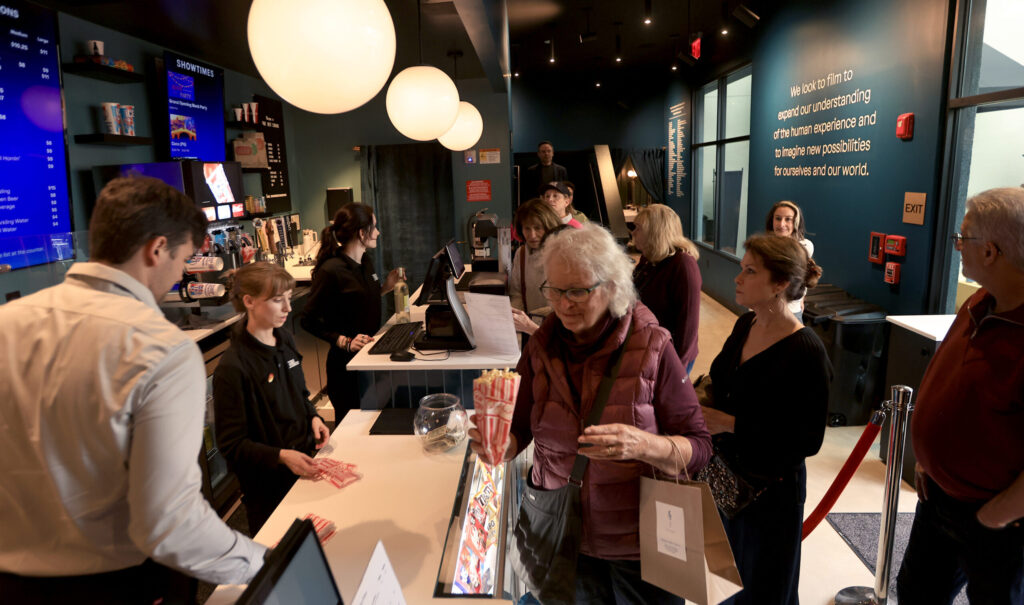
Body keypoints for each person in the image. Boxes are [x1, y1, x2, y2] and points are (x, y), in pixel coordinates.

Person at [0, 176, 266, 602]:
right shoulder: (160, 349)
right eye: (182, 261)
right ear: (156, 249)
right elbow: (169, 524)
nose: (179, 274)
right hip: (119, 584)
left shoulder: (7, 322)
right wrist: (264, 563)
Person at [470, 223, 712, 603]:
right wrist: (501, 446)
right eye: (555, 290)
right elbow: (520, 427)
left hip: (641, 545)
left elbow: (699, 447)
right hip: (562, 534)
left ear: (613, 286)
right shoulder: (541, 346)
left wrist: (645, 444)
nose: (564, 304)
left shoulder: (652, 347)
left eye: (579, 290)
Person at [896, 187, 1024, 605]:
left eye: (963, 237)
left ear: (990, 251)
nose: (957, 246)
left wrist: (994, 517)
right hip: (939, 499)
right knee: (917, 592)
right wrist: (930, 462)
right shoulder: (981, 301)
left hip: (995, 523)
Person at [701, 233, 830, 605]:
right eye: (742, 269)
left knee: (765, 588)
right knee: (726, 581)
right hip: (727, 477)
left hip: (771, 493)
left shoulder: (806, 351)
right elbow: (722, 381)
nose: (738, 278)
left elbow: (807, 439)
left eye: (750, 271)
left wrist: (729, 423)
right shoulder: (746, 325)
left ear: (780, 285)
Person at [214, 262, 331, 535]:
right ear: (249, 301)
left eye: (289, 299)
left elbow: (300, 393)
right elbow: (232, 445)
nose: (288, 309)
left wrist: (313, 416)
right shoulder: (233, 368)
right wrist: (281, 456)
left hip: (304, 465)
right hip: (268, 489)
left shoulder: (285, 340)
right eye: (278, 300)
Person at [301, 203, 399, 410]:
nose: (378, 233)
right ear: (362, 233)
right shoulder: (331, 271)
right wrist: (343, 341)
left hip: (369, 358)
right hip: (345, 367)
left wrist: (385, 288)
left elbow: (356, 300)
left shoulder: (366, 261)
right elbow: (307, 320)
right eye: (375, 227)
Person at [631, 204, 702, 373]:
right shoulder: (649, 258)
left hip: (670, 357)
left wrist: (677, 369)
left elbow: (688, 327)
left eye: (638, 228)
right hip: (648, 348)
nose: (633, 233)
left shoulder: (683, 264)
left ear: (655, 232)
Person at [509, 198, 561, 336]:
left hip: (559, 329)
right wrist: (517, 318)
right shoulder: (521, 254)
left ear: (549, 226)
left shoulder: (563, 253)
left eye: (538, 228)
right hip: (529, 329)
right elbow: (516, 292)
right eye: (527, 228)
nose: (532, 235)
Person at [765, 200, 814, 317]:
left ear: (796, 222)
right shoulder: (763, 246)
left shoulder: (805, 246)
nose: (781, 224)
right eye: (777, 218)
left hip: (791, 311)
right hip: (765, 308)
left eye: (788, 219)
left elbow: (804, 277)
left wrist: (801, 299)